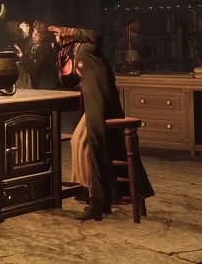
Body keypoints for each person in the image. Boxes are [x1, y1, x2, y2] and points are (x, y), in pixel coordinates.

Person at [49, 25, 154, 221]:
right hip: (93, 106)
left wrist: (67, 31)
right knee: (80, 143)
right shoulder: (75, 52)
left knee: (90, 146)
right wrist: (64, 68)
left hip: (102, 104)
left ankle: (97, 200)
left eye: (58, 36)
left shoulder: (87, 47)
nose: (56, 39)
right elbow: (71, 81)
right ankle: (96, 196)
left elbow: (95, 36)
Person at [22, 20, 59, 90]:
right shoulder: (30, 44)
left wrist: (22, 57)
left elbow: (32, 67)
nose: (34, 36)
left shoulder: (45, 48)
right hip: (32, 83)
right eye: (34, 33)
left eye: (37, 35)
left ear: (42, 36)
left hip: (43, 85)